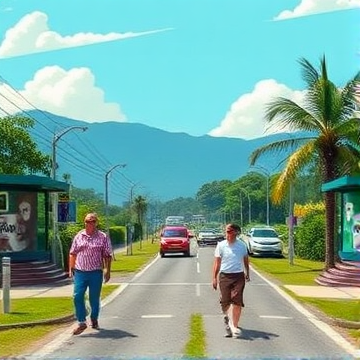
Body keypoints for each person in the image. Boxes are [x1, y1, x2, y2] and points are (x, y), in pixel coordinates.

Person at [69, 212, 113, 335]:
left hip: (95, 272)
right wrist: (71, 268)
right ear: (84, 222)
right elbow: (72, 253)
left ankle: (94, 318)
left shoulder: (102, 237)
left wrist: (107, 270)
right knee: (77, 296)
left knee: (94, 298)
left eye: (92, 221)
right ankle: (82, 322)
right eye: (87, 221)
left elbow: (107, 255)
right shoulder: (79, 236)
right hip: (80, 272)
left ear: (96, 223)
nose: (89, 223)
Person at [212, 223, 250, 338]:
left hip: (238, 276)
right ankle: (228, 321)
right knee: (225, 302)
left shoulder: (242, 246)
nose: (226, 233)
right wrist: (214, 278)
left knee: (237, 301)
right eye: (226, 231)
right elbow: (217, 263)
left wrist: (247, 273)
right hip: (224, 276)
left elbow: (246, 260)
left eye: (229, 231)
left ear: (235, 232)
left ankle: (234, 326)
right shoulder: (221, 245)